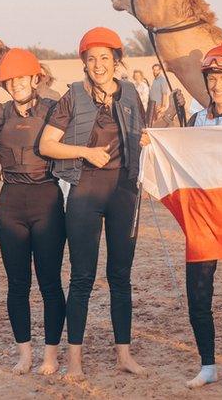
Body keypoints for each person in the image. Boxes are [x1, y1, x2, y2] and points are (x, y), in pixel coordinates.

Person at [142, 40, 222, 390]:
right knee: (198, 296)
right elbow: (182, 160)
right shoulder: (196, 119)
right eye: (213, 79)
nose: (218, 85)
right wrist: (153, 145)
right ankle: (208, 365)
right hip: (202, 221)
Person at [39, 27, 147, 380]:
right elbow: (47, 145)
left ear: (117, 61)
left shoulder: (130, 94)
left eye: (105, 57)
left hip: (124, 191)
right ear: (83, 62)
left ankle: (124, 355)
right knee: (82, 277)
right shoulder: (71, 97)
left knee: (120, 276)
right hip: (85, 189)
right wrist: (85, 151)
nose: (98, 64)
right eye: (91, 58)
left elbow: (141, 138)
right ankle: (75, 361)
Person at [0, 48, 67, 375]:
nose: (17, 84)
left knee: (50, 282)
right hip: (10, 202)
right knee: (17, 284)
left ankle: (50, 354)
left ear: (35, 78)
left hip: (47, 199)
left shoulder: (54, 108)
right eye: (11, 79)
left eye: (22, 77)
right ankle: (24, 353)